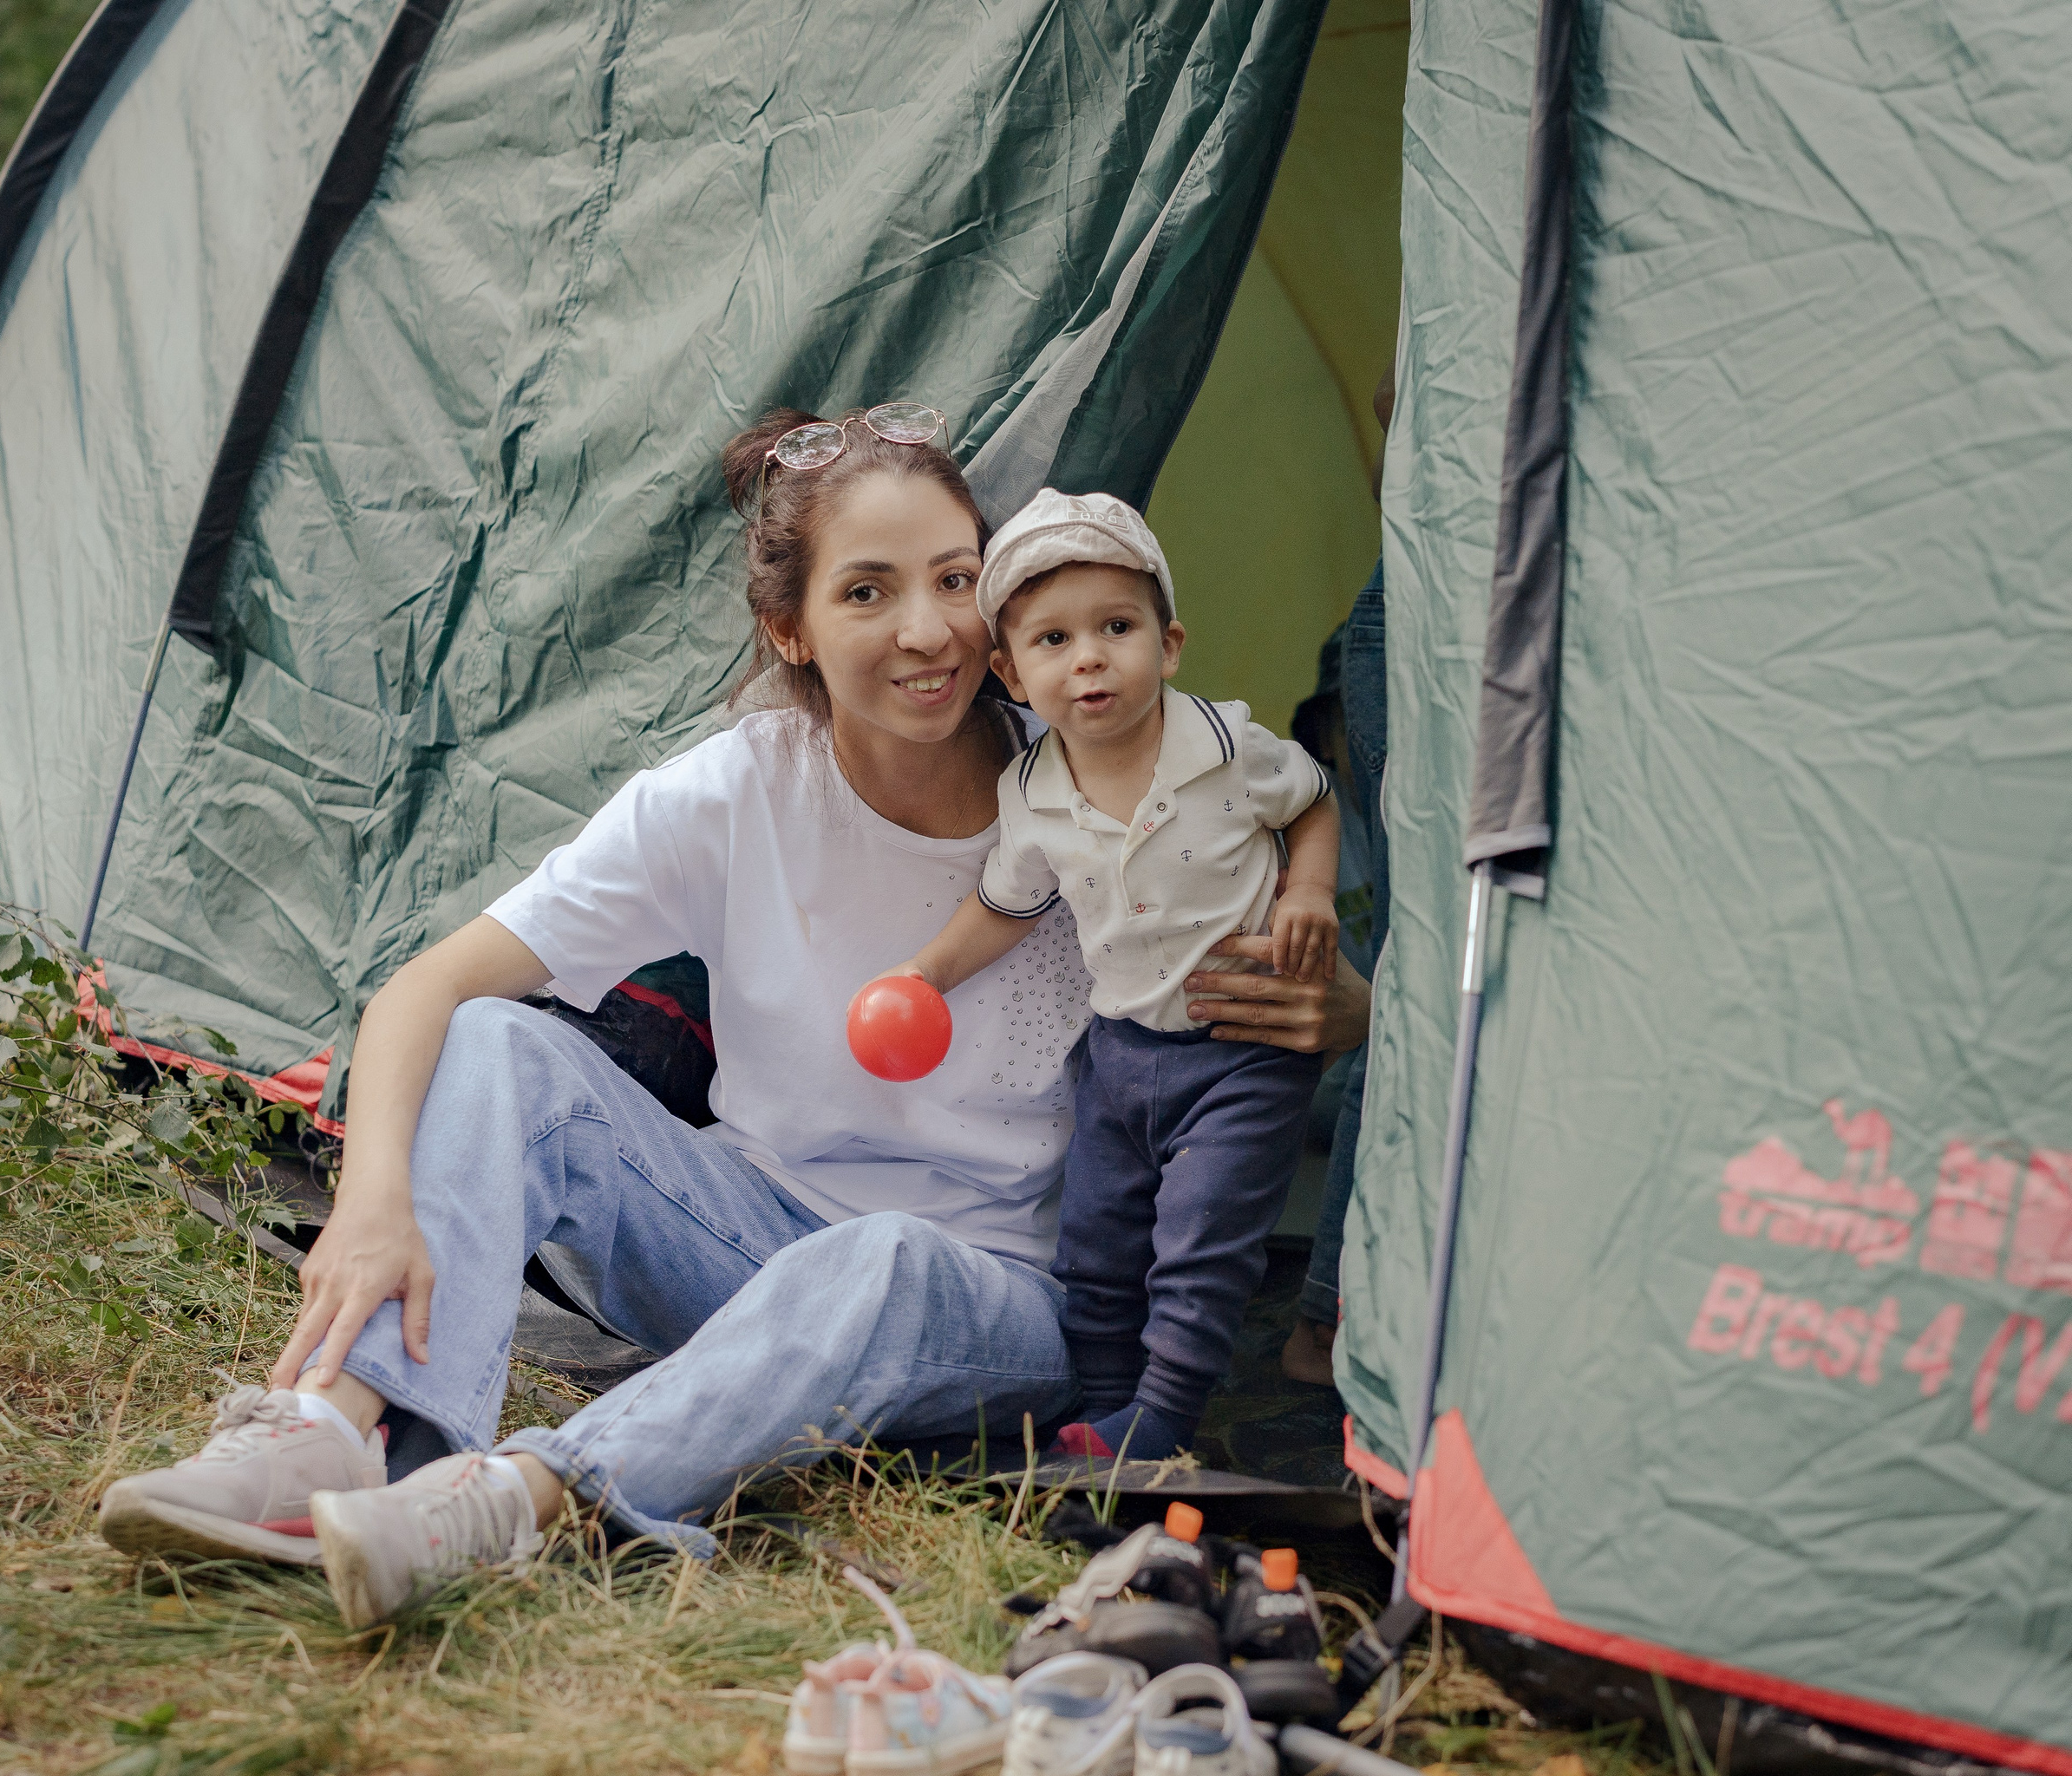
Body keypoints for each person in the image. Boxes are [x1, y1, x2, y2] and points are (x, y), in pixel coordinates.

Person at [96, 403, 1369, 1629]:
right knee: (500, 1044)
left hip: (1002, 1299)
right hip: (745, 1235)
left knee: (881, 1261)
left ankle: (523, 1501)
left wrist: (1337, 1009)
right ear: (794, 630)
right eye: (867, 591)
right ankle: (332, 1432)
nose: (925, 629)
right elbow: (425, 989)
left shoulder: (1102, 771)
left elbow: (1330, 977)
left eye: (954, 579)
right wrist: (372, 1199)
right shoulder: (732, 794)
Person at [873, 488, 1339, 1463]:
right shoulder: (1033, 790)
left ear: (1167, 644)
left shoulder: (1225, 747)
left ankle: (1164, 1412)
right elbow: (1006, 904)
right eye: (1051, 639)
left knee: (1199, 1235)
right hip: (1121, 1052)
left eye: (1115, 627)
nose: (1087, 656)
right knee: (1096, 1233)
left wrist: (1308, 893)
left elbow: (1313, 800)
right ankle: (1101, 1403)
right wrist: (923, 972)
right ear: (1007, 668)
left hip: (1242, 1050)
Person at [1284, 361, 1396, 1388]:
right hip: (1326, 1053)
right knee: (1404, 1034)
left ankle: (1330, 1315)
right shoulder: (1320, 826)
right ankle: (1322, 1319)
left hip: (1347, 1044)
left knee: (1400, 1031)